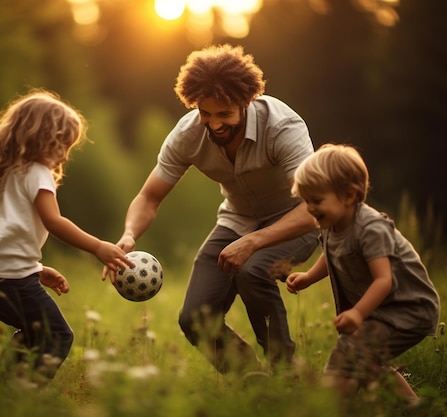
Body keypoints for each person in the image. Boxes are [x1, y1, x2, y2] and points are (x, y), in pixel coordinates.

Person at [108, 44, 320, 374]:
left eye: (224, 114)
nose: (214, 124)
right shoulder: (188, 134)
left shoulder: (282, 127)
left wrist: (253, 243)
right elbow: (149, 197)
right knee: (195, 318)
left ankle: (285, 373)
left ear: (246, 101)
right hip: (236, 219)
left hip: (296, 219)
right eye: (205, 113)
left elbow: (313, 207)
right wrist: (129, 234)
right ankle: (251, 380)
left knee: (254, 271)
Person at [0, 89, 132, 381]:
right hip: (12, 283)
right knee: (57, 336)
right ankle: (23, 398)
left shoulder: (6, 173)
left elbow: (4, 236)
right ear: (39, 138)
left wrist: (35, 270)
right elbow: (54, 221)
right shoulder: (37, 172)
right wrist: (98, 246)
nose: (63, 155)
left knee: (34, 334)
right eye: (60, 144)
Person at [286, 143, 440, 404]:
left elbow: (384, 279)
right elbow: (332, 253)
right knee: (370, 361)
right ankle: (415, 409)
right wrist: (309, 277)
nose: (310, 208)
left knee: (350, 353)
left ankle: (328, 407)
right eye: (306, 200)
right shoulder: (330, 224)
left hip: (407, 308)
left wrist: (358, 313)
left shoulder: (371, 229)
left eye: (317, 200)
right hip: (384, 311)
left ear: (348, 196)